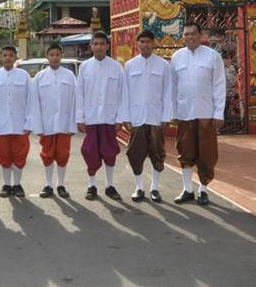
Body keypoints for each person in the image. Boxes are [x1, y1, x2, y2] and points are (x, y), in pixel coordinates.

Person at [171, 22, 226, 206]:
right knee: (185, 151)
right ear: (182, 37)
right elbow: (173, 87)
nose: (190, 37)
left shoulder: (213, 56)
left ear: (201, 35)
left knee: (206, 153)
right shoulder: (177, 57)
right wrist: (173, 111)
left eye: (193, 34)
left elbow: (219, 85)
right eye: (186, 34)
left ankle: (203, 189)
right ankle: (187, 189)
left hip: (206, 113)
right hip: (184, 112)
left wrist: (218, 112)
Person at [123, 30, 172, 203]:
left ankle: (155, 188)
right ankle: (139, 187)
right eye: (142, 41)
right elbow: (125, 93)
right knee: (136, 153)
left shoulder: (163, 65)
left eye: (148, 41)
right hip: (136, 117)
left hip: (156, 117)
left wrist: (166, 117)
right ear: (137, 44)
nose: (145, 45)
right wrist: (126, 117)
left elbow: (168, 92)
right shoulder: (129, 65)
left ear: (153, 43)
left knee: (157, 153)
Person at [76, 31, 126, 201]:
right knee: (90, 152)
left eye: (102, 44)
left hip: (109, 118)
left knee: (109, 152)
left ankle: (109, 185)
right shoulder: (84, 67)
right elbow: (80, 94)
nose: (99, 47)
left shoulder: (116, 67)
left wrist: (120, 118)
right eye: (95, 44)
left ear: (107, 46)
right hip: (91, 118)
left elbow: (122, 94)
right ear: (91, 46)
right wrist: (80, 118)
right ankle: (92, 185)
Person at [0, 45, 34, 198]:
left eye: (11, 55)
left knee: (20, 154)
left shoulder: (23, 75)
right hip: (1, 124)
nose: (8, 58)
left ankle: (17, 184)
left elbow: (30, 100)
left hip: (20, 124)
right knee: (3, 154)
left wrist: (29, 123)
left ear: (15, 58)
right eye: (5, 55)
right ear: (0, 57)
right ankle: (6, 184)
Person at [30, 43, 77, 198]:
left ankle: (61, 184)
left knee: (63, 154)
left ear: (61, 56)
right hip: (47, 124)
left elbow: (75, 101)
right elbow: (35, 103)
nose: (55, 57)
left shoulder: (70, 76)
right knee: (47, 154)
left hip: (64, 124)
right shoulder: (39, 77)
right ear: (47, 56)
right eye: (52, 55)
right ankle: (48, 184)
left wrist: (73, 125)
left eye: (57, 54)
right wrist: (38, 126)